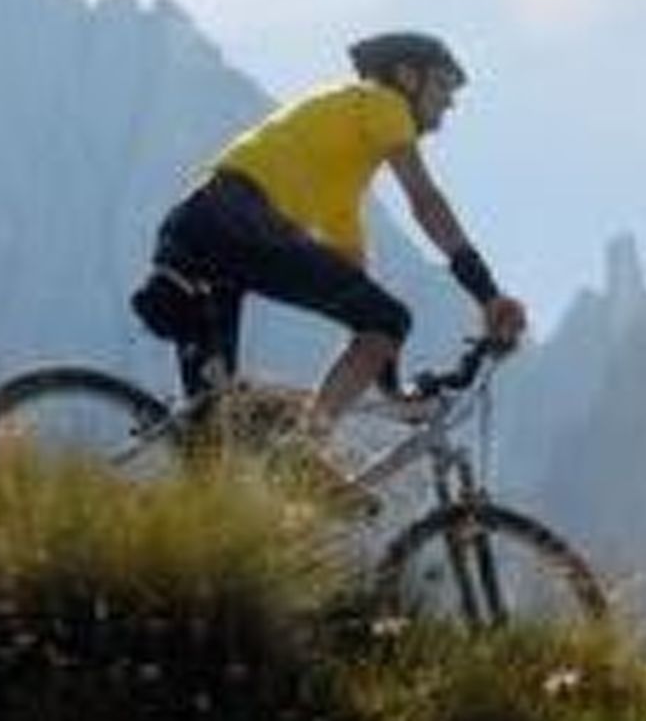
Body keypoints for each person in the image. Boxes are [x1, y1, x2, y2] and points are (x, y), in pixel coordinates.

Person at [131, 31, 526, 436]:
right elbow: (425, 201)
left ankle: (226, 475)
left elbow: (358, 297)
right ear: (407, 76)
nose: (450, 101)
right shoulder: (381, 100)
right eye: (443, 84)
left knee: (212, 427)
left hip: (200, 223)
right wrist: (487, 294)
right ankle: (306, 451)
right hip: (238, 217)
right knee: (388, 319)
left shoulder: (343, 182)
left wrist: (392, 387)